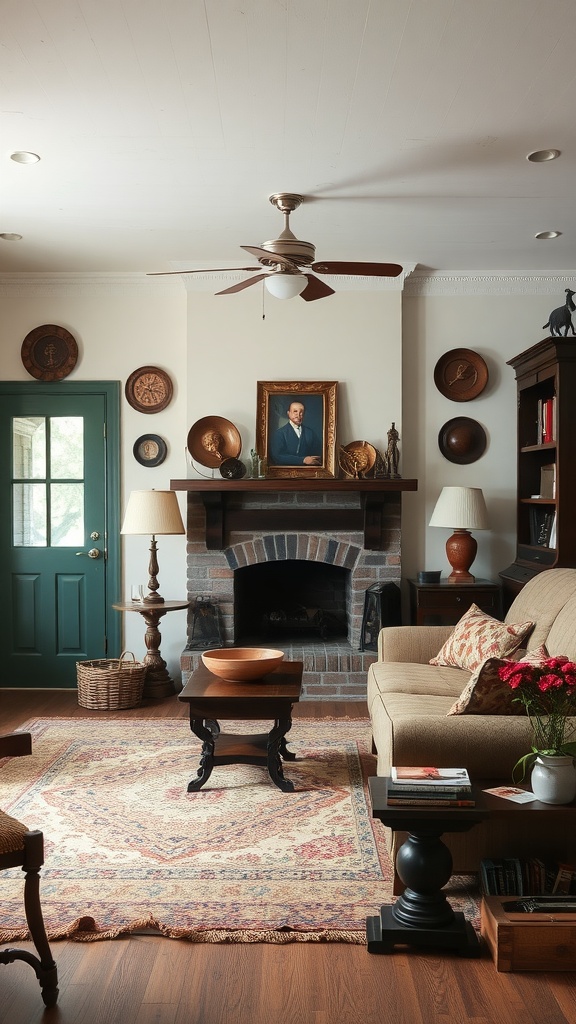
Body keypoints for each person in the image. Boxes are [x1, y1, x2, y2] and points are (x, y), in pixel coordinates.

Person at [269, 400, 322, 466]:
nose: (298, 415)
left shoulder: (310, 433)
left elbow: (318, 453)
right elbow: (277, 457)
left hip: (308, 472)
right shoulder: (280, 433)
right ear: (288, 413)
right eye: (295, 411)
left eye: (301, 412)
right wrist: (303, 460)